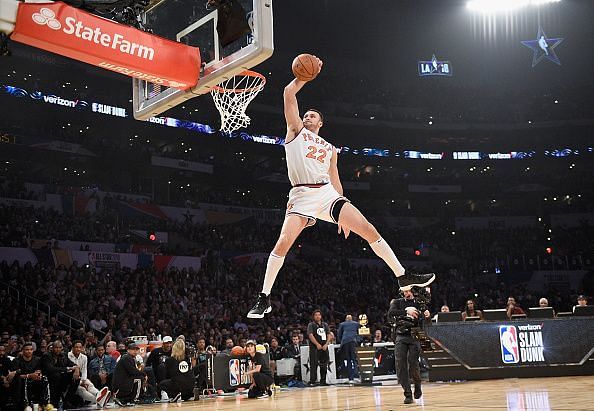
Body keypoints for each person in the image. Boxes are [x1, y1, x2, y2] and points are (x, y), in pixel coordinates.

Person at [247, 56, 435, 318]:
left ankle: (403, 276)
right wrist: (305, 77)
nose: (306, 116)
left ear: (320, 123)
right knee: (282, 244)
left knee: (368, 229)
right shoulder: (295, 132)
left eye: (311, 115)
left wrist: (342, 212)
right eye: (305, 114)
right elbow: (288, 92)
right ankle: (264, 297)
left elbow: (334, 178)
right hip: (301, 195)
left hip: (327, 195)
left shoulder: (330, 148)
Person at [388, 290, 430, 404]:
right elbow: (391, 314)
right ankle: (407, 394)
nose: (406, 293)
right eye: (404, 291)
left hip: (415, 335)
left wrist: (426, 315)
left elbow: (426, 321)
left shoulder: (419, 303)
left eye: (408, 290)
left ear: (412, 291)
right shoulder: (397, 302)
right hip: (401, 335)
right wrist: (406, 310)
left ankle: (417, 385)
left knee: (413, 363)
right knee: (400, 365)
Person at [68, 340, 111, 406]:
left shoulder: (84, 357)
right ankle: (99, 400)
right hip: (71, 380)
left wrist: (83, 381)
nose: (78, 349)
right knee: (82, 389)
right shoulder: (68, 356)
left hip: (81, 378)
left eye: (80, 347)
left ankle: (99, 394)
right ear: (72, 348)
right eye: (76, 347)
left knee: (89, 384)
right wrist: (80, 382)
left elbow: (84, 370)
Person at [40, 340, 81, 408]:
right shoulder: (46, 356)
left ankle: (67, 400)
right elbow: (51, 369)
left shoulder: (63, 355)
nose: (58, 349)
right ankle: (55, 402)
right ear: (52, 348)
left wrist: (77, 369)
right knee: (56, 375)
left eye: (60, 347)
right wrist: (67, 368)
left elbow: (73, 364)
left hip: (61, 378)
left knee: (78, 376)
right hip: (48, 377)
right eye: (56, 347)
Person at [9, 342, 48, 409]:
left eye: (31, 349)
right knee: (19, 380)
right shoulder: (16, 361)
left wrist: (38, 375)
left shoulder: (37, 360)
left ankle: (42, 404)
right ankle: (21, 405)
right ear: (22, 351)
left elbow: (39, 370)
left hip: (34, 381)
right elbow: (15, 376)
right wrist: (29, 376)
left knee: (44, 379)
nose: (29, 351)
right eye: (27, 349)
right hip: (21, 382)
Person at [307, 310, 330, 386]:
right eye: (316, 315)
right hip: (315, 347)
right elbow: (310, 335)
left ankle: (323, 380)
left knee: (324, 364)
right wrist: (317, 344)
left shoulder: (325, 325)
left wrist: (326, 344)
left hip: (324, 346)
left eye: (319, 315)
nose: (318, 316)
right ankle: (312, 381)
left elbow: (329, 335)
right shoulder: (311, 325)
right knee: (314, 364)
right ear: (313, 316)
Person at [337, 314, 359, 383]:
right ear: (351, 319)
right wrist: (357, 341)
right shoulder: (356, 324)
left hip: (345, 343)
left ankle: (351, 378)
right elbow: (360, 333)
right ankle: (356, 376)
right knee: (354, 359)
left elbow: (339, 334)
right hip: (353, 342)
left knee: (349, 360)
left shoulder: (342, 324)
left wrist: (341, 342)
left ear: (346, 319)